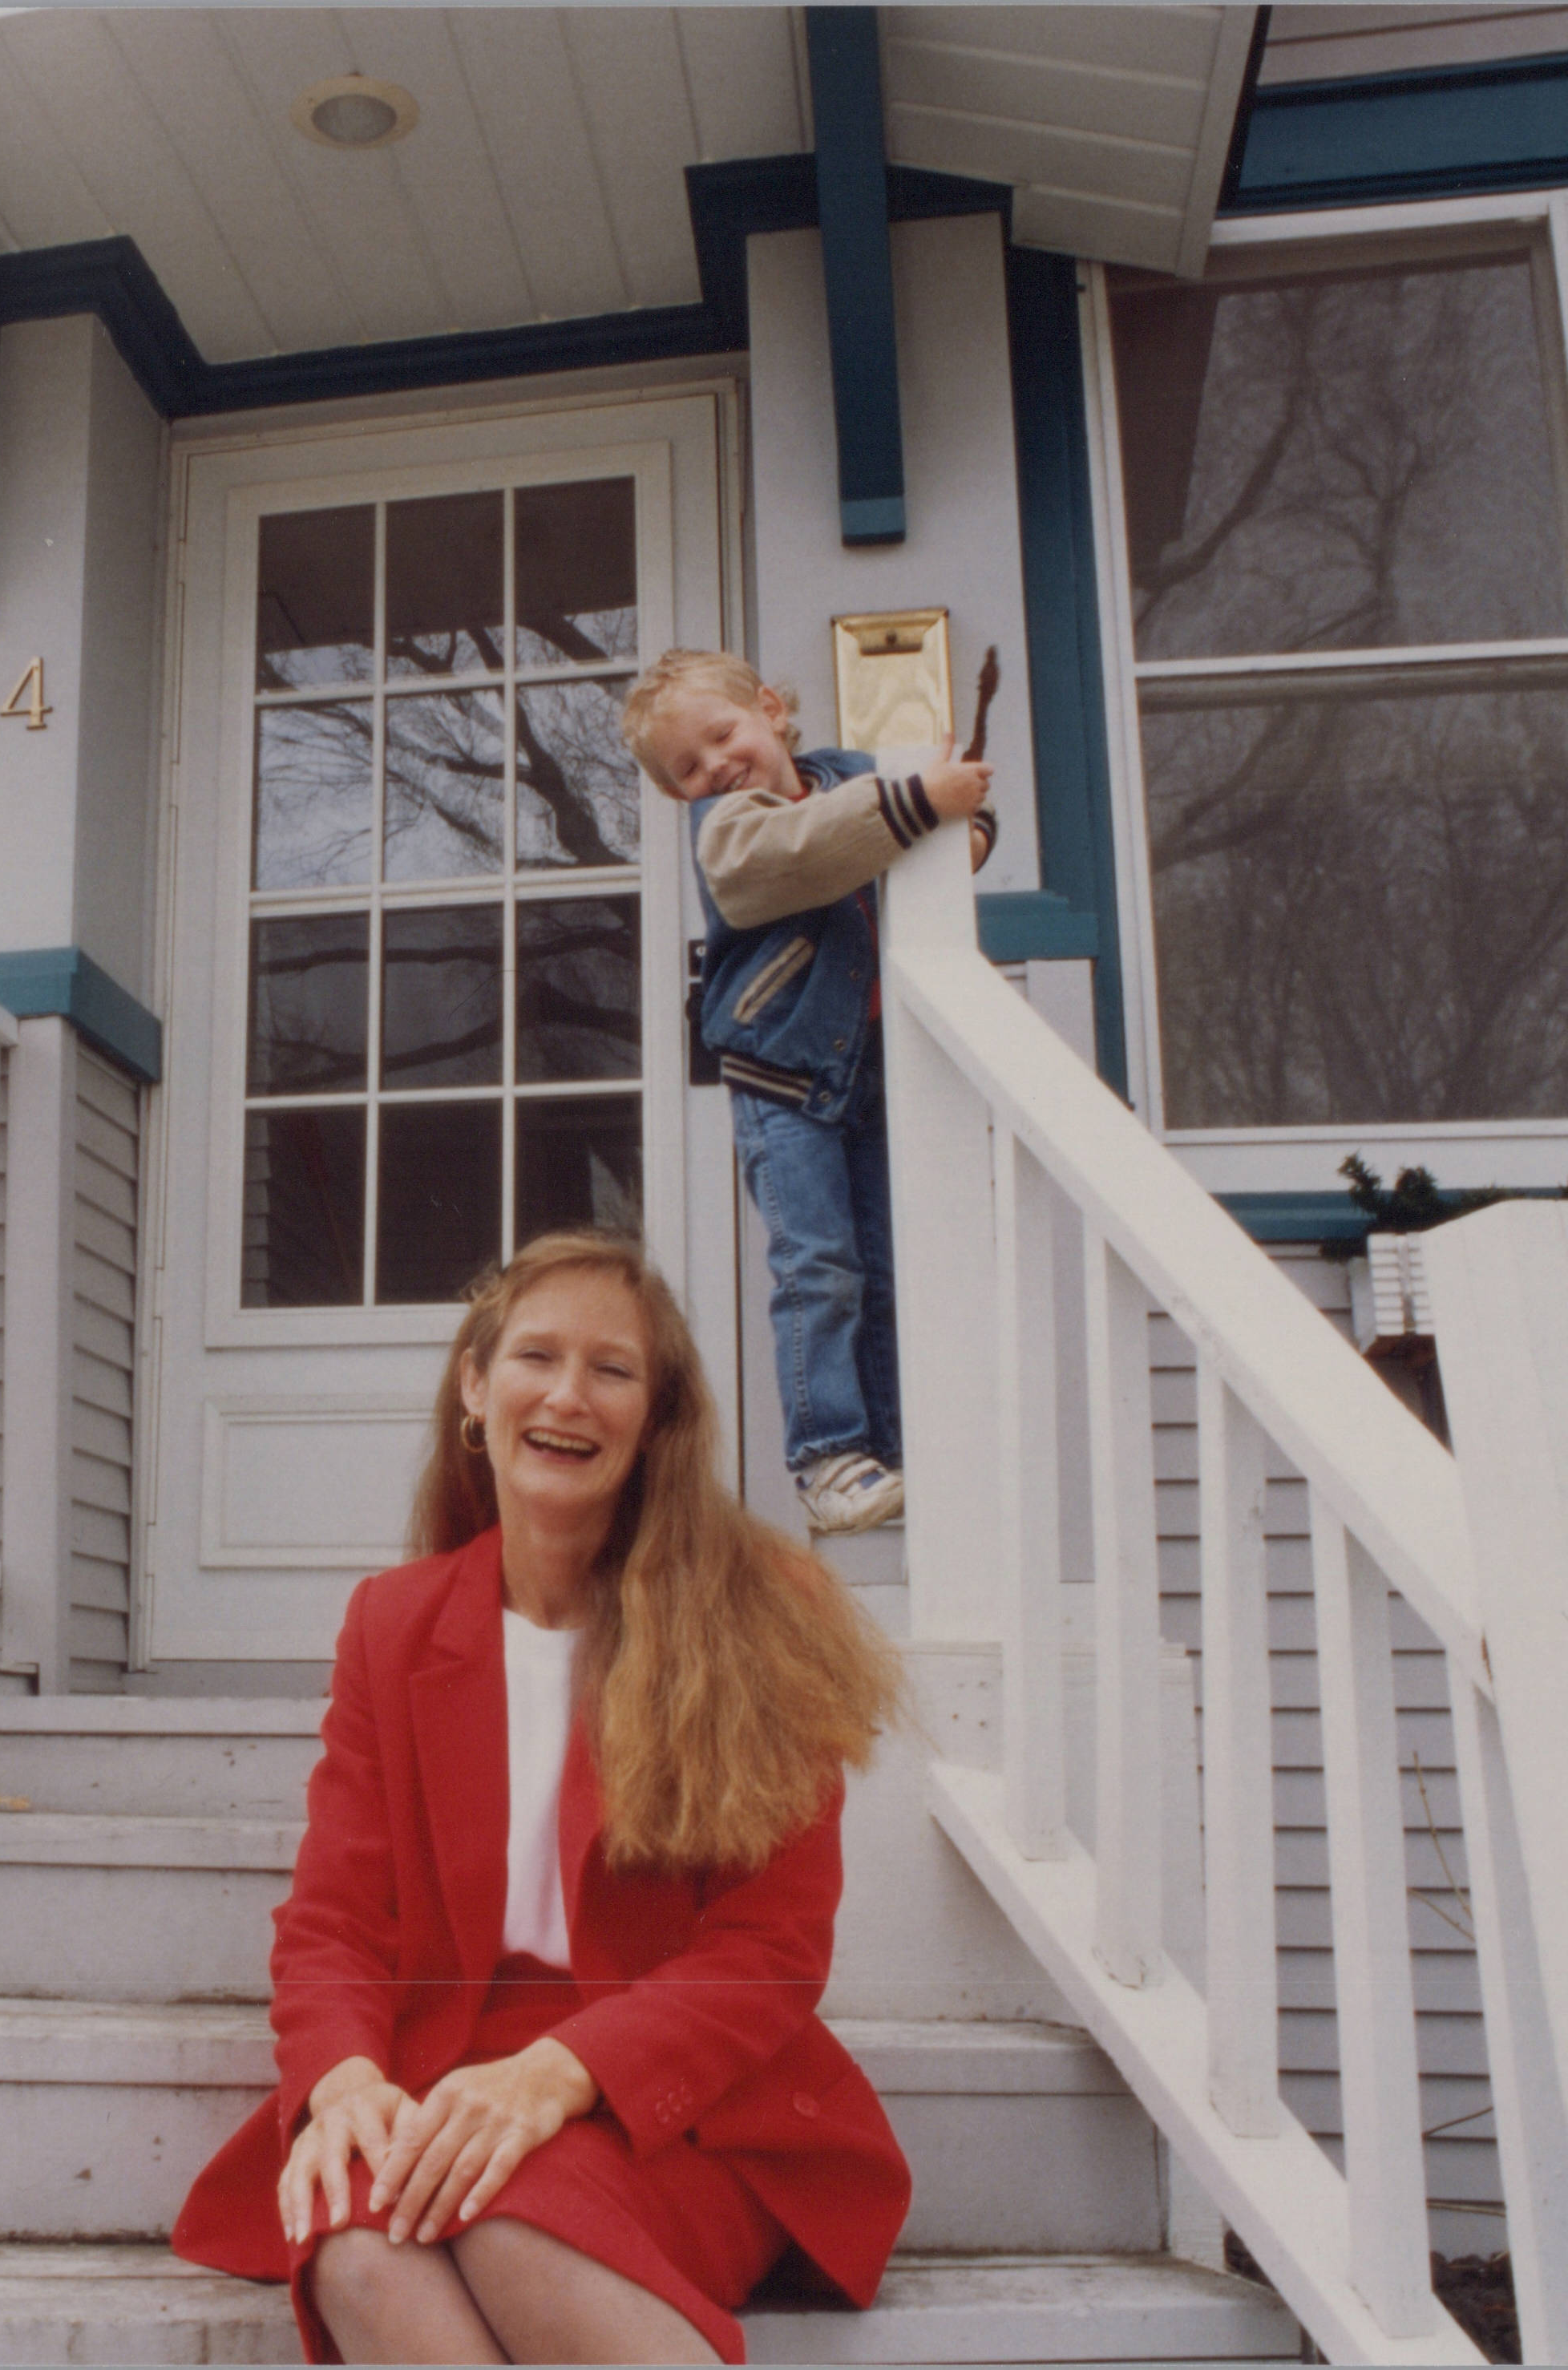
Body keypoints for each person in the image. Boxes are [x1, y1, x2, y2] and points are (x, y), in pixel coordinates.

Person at [171, 1231, 911, 2365]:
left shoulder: (765, 1609)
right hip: (437, 2074)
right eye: (535, 1357)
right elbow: (335, 1919)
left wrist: (559, 2076)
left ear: (657, 1418)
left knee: (515, 2216)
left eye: (613, 1371)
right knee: (355, 2246)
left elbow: (769, 1949)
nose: (569, 1396)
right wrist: (344, 2078)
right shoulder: (395, 1621)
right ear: (477, 1386)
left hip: (681, 2106)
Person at [621, 649, 994, 1536]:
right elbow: (793, 856)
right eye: (688, 768)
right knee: (817, 1265)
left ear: (770, 710)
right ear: (681, 794)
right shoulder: (729, 827)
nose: (713, 765)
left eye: (722, 735)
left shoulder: (853, 779)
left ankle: (891, 1454)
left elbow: (930, 831)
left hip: (867, 1067)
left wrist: (962, 830)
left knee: (883, 1262)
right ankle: (827, 1456)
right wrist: (915, 810)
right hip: (779, 1075)